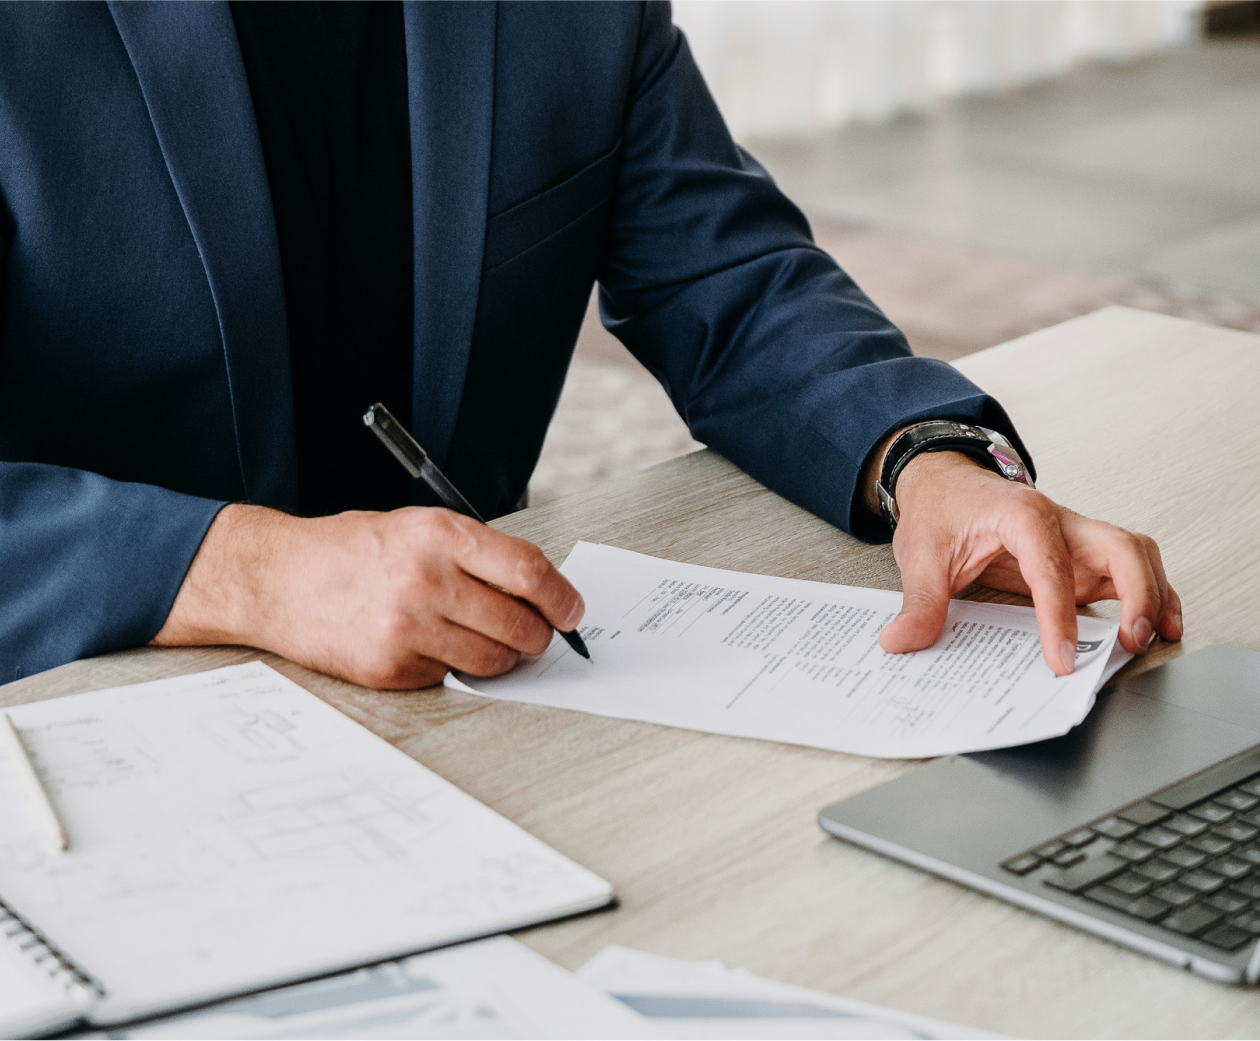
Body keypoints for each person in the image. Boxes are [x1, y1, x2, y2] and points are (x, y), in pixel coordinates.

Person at [0, 0, 1179, 689]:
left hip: (486, 695)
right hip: (90, 703)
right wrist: (254, 572)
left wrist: (927, 463)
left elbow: (728, 273)